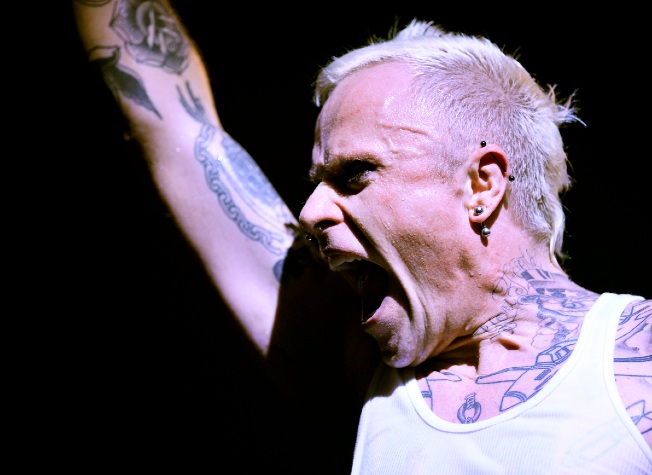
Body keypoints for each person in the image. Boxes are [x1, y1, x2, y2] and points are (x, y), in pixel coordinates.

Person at [71, 1, 651, 472]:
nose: (310, 211)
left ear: (482, 184)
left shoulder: (637, 354)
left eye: (354, 175)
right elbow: (171, 117)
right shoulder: (350, 357)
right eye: (318, 182)